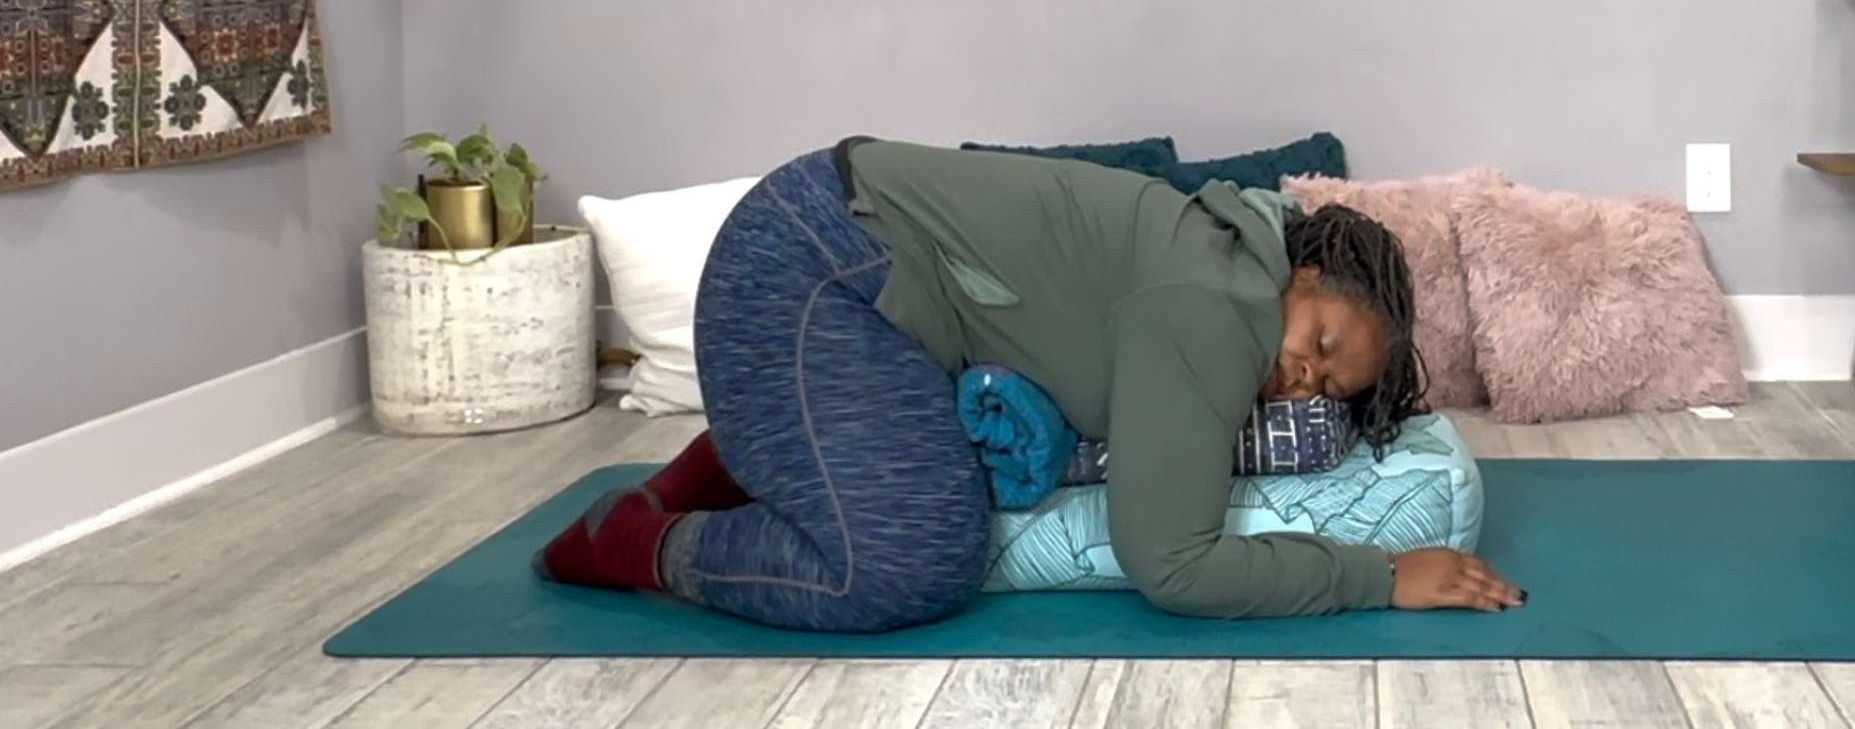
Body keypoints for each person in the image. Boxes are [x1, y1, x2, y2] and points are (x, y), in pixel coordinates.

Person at [533, 136, 1524, 630]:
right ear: (1302, 276)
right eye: (1318, 339)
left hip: (849, 281)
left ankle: (727, 463)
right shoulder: (1215, 309)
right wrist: (1378, 577)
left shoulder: (1221, 263)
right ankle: (637, 540)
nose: (1301, 378)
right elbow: (1171, 565)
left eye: (1326, 386)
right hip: (812, 275)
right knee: (913, 560)